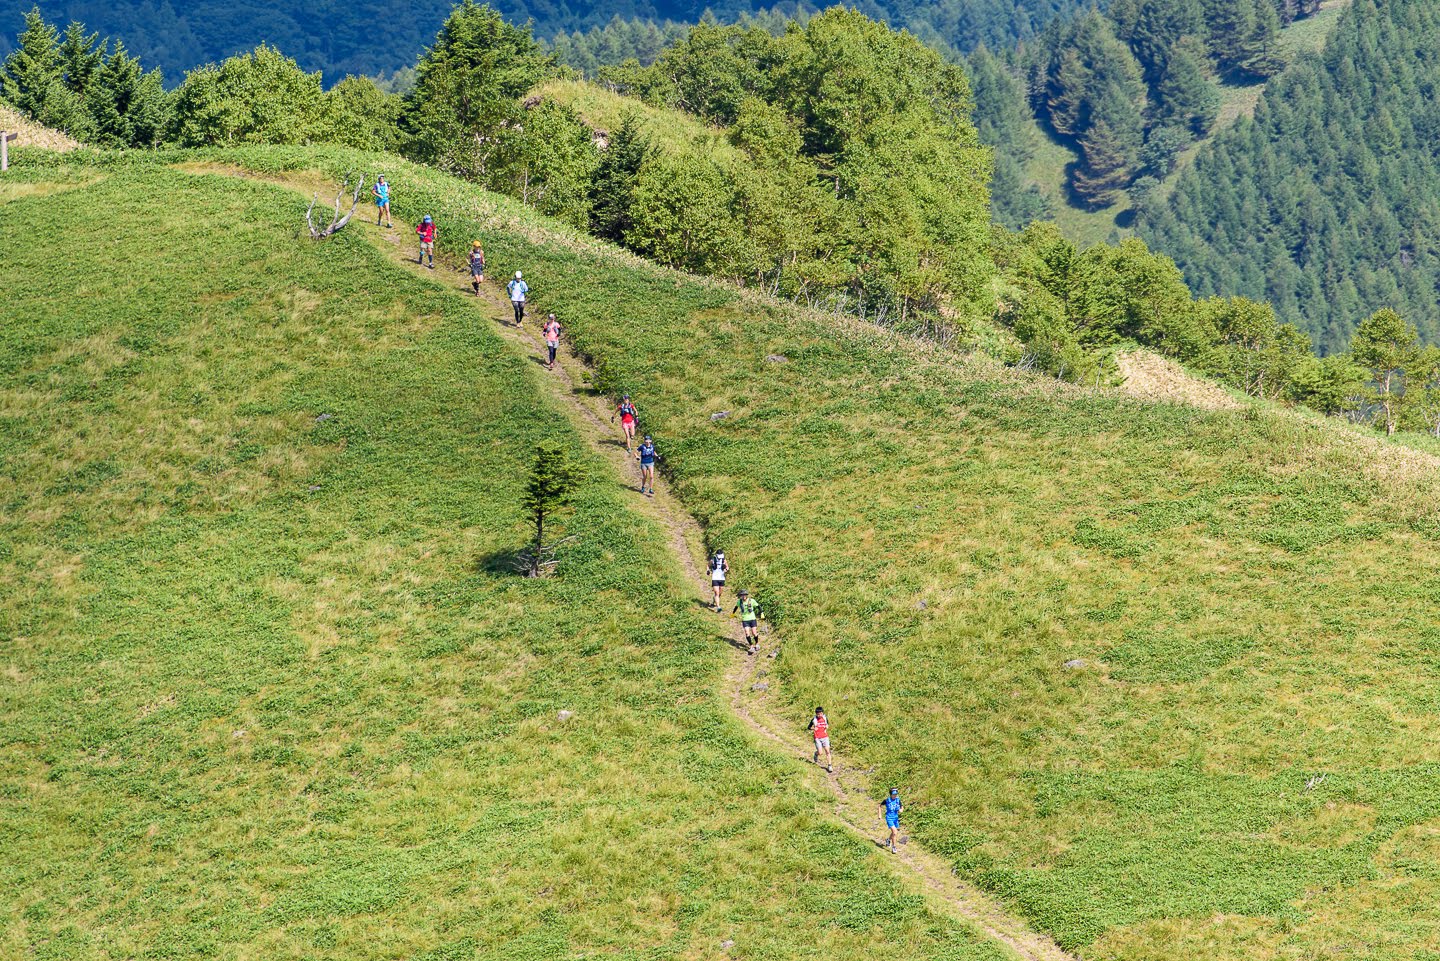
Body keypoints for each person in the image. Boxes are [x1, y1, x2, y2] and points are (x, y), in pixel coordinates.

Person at [732, 589, 763, 655]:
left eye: (745, 595)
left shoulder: (752, 601)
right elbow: (736, 607)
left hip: (752, 619)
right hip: (745, 620)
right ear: (740, 596)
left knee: (754, 632)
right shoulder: (739, 602)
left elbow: (758, 606)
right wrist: (733, 613)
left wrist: (762, 613)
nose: (743, 597)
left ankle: (757, 644)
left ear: (746, 595)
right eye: (742, 595)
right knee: (747, 633)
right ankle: (751, 646)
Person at [809, 706, 832, 772]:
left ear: (822, 713)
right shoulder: (814, 719)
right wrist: (813, 728)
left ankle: (829, 765)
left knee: (827, 751)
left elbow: (827, 724)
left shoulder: (825, 718)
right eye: (818, 714)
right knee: (820, 752)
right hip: (817, 738)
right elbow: (808, 727)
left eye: (821, 713)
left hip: (825, 736)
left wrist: (827, 726)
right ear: (816, 714)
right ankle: (816, 754)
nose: (819, 715)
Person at [880, 788, 902, 854]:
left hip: (895, 818)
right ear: (890, 794)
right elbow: (880, 806)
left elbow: (901, 806)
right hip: (889, 818)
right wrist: (880, 815)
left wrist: (901, 810)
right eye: (893, 794)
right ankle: (894, 847)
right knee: (895, 832)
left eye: (896, 794)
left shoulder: (898, 800)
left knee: (894, 832)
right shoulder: (887, 800)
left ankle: (888, 840)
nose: (895, 795)